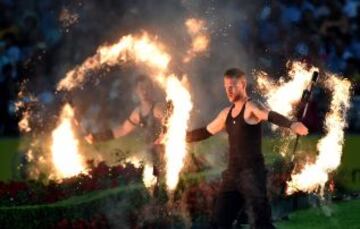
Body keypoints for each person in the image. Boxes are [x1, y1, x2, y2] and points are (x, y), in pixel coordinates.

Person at [186, 68, 308, 229]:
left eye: (233, 86)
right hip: (232, 177)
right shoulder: (225, 113)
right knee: (218, 223)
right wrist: (175, 136)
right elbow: (205, 131)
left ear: (242, 84)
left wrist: (292, 124)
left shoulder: (251, 106)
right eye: (226, 86)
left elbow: (269, 115)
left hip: (253, 176)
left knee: (261, 224)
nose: (228, 90)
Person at [86, 74, 165, 179]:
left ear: (152, 88)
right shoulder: (137, 113)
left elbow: (170, 126)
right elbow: (122, 130)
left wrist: (162, 138)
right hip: (149, 154)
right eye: (141, 88)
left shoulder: (158, 108)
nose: (144, 91)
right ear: (136, 91)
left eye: (147, 87)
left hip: (163, 152)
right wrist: (97, 137)